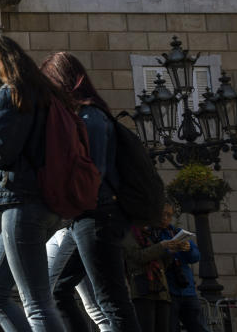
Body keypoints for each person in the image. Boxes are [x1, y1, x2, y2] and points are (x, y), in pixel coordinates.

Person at [0, 34, 65, 332]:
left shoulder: (12, 93)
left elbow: (0, 150)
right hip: (41, 202)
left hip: (23, 204)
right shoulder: (45, 94)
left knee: (36, 303)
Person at [41, 51, 141, 332]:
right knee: (58, 289)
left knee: (111, 300)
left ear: (62, 82)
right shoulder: (83, 117)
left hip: (98, 216)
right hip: (84, 218)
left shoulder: (91, 118)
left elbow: (91, 174)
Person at [158, 203, 210, 332]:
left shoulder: (176, 232)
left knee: (198, 326)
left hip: (187, 290)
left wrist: (187, 249)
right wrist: (170, 250)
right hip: (168, 292)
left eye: (168, 215)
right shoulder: (152, 234)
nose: (165, 218)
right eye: (162, 214)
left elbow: (196, 257)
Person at [124, 224, 181, 332]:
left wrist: (171, 252)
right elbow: (138, 257)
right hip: (143, 290)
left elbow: (162, 264)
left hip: (161, 290)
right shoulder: (128, 234)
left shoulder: (151, 235)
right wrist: (161, 246)